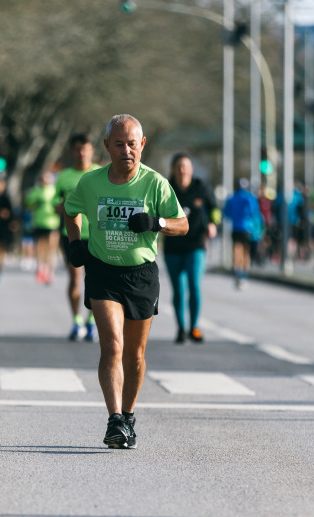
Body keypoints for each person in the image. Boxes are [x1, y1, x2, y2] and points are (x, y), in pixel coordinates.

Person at [64, 114, 187, 449]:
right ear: (107, 147)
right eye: (119, 144)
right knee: (112, 345)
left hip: (140, 276)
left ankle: (128, 416)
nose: (126, 150)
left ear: (142, 145)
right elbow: (70, 209)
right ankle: (115, 419)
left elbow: (183, 224)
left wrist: (156, 221)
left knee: (134, 355)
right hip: (103, 271)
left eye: (132, 144)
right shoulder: (90, 183)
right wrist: (75, 242)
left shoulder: (156, 184)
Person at [163, 153, 220, 344]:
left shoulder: (200, 187)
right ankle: (180, 328)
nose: (182, 170)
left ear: (191, 169)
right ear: (173, 170)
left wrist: (213, 223)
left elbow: (214, 208)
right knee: (178, 290)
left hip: (196, 244)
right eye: (178, 166)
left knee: (194, 285)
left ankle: (194, 327)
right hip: (173, 246)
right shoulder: (166, 187)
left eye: (185, 166)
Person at [55, 133, 102, 341]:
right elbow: (57, 203)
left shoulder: (101, 174)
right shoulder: (64, 177)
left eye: (85, 149)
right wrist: (60, 208)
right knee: (75, 279)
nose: (81, 153)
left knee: (95, 281)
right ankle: (76, 321)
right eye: (77, 149)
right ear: (72, 151)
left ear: (92, 151)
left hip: (96, 235)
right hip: (70, 235)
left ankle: (91, 322)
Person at [223, 178, 261, 289]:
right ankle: (244, 274)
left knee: (237, 249)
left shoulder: (232, 198)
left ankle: (237, 272)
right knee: (246, 251)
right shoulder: (250, 198)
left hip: (236, 227)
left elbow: (227, 214)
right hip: (248, 227)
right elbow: (255, 213)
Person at [25, 169, 60, 284]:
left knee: (51, 247)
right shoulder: (35, 191)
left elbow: (60, 203)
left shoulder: (55, 191)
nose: (46, 180)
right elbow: (28, 204)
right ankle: (41, 268)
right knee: (41, 248)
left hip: (53, 223)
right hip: (40, 222)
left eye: (48, 178)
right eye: (44, 178)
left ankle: (50, 271)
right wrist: (35, 201)